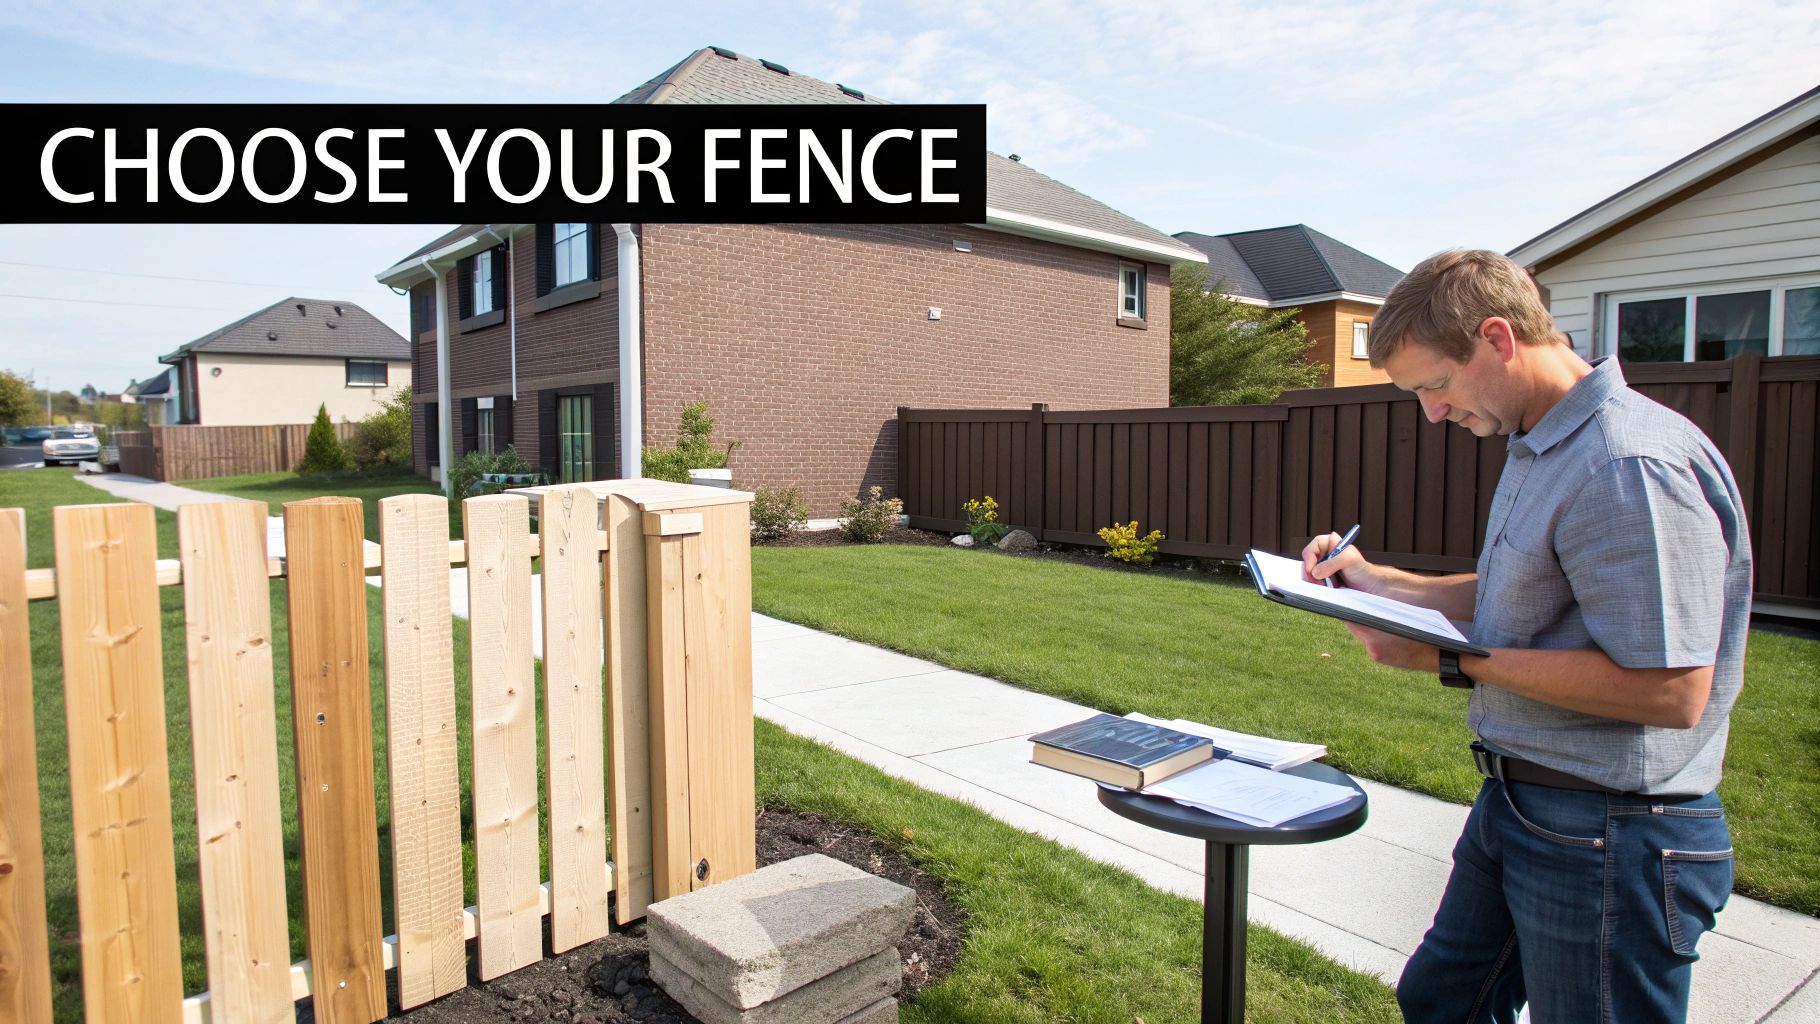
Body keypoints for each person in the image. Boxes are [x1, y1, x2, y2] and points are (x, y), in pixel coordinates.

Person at [1300, 250, 1750, 1023]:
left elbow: (1671, 690)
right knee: (1444, 1001)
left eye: (1435, 386)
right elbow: (1525, 593)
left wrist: (1449, 658)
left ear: (1498, 339)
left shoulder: (1626, 463)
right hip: (1526, 801)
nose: (1431, 414)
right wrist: (1375, 581)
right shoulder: (1545, 443)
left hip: (1613, 829)